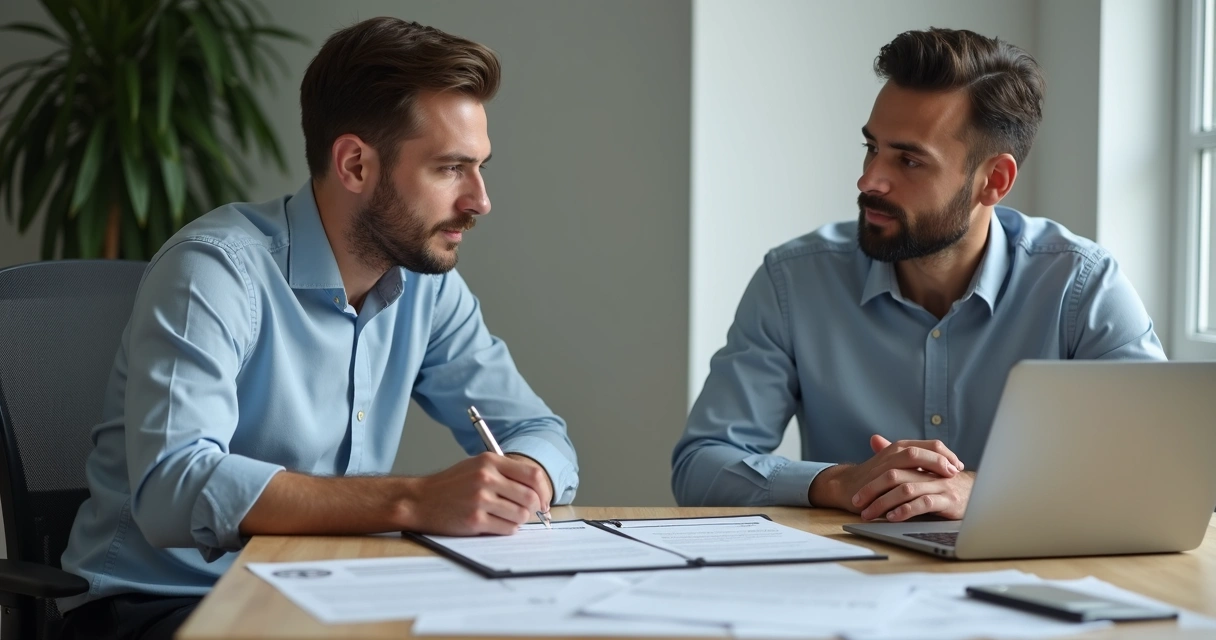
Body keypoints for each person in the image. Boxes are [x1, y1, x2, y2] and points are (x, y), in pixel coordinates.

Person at [58, 17, 578, 640]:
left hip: (323, 591)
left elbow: (538, 431)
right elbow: (174, 486)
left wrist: (526, 476)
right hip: (159, 605)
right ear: (355, 164)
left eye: (480, 167)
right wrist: (413, 501)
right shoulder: (216, 270)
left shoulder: (428, 286)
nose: (480, 200)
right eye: (450, 169)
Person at [672, 28, 1164, 522]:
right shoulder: (794, 281)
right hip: (845, 567)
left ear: (993, 181)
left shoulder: (1080, 287)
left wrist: (990, 492)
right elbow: (701, 465)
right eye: (872, 148)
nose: (869, 181)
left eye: (909, 160)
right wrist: (839, 482)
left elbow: (1163, 467)